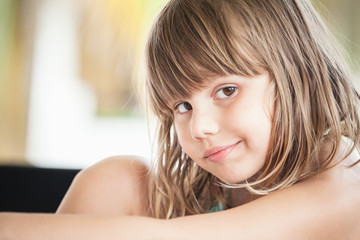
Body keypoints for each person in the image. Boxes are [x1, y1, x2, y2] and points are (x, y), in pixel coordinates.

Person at [1, 0, 360, 239]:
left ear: (298, 74)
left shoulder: (346, 183)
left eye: (227, 91)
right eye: (182, 106)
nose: (200, 127)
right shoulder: (204, 195)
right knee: (114, 179)